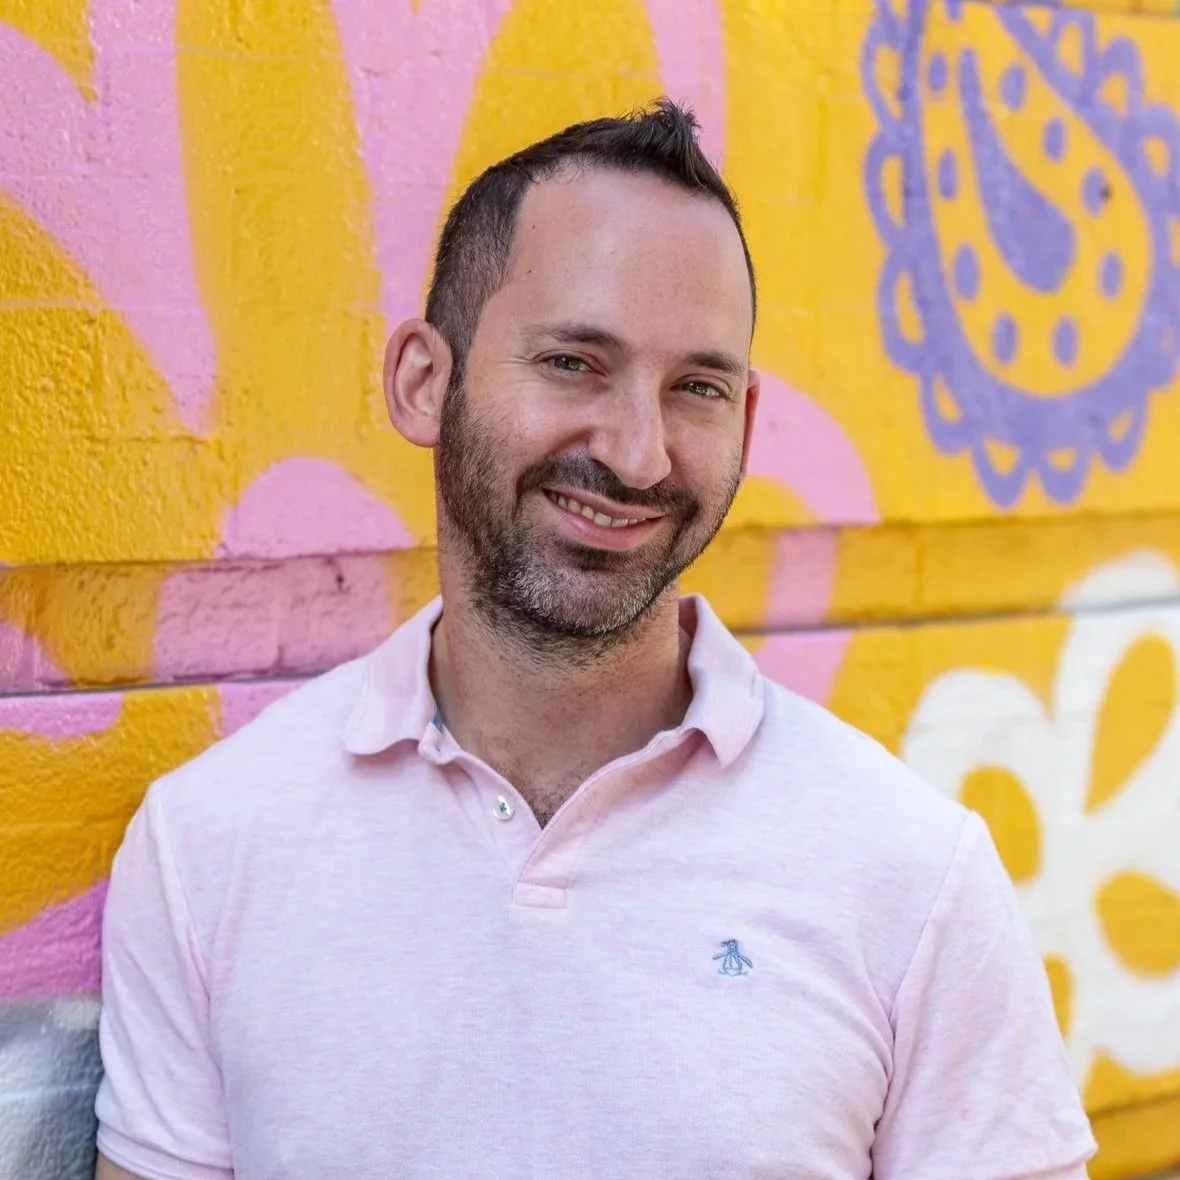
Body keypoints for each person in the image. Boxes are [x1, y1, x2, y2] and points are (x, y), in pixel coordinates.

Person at [94, 100, 1096, 1180]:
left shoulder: (909, 871)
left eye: (696, 388)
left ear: (746, 424)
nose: (635, 451)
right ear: (424, 380)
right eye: (575, 362)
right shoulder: (211, 843)